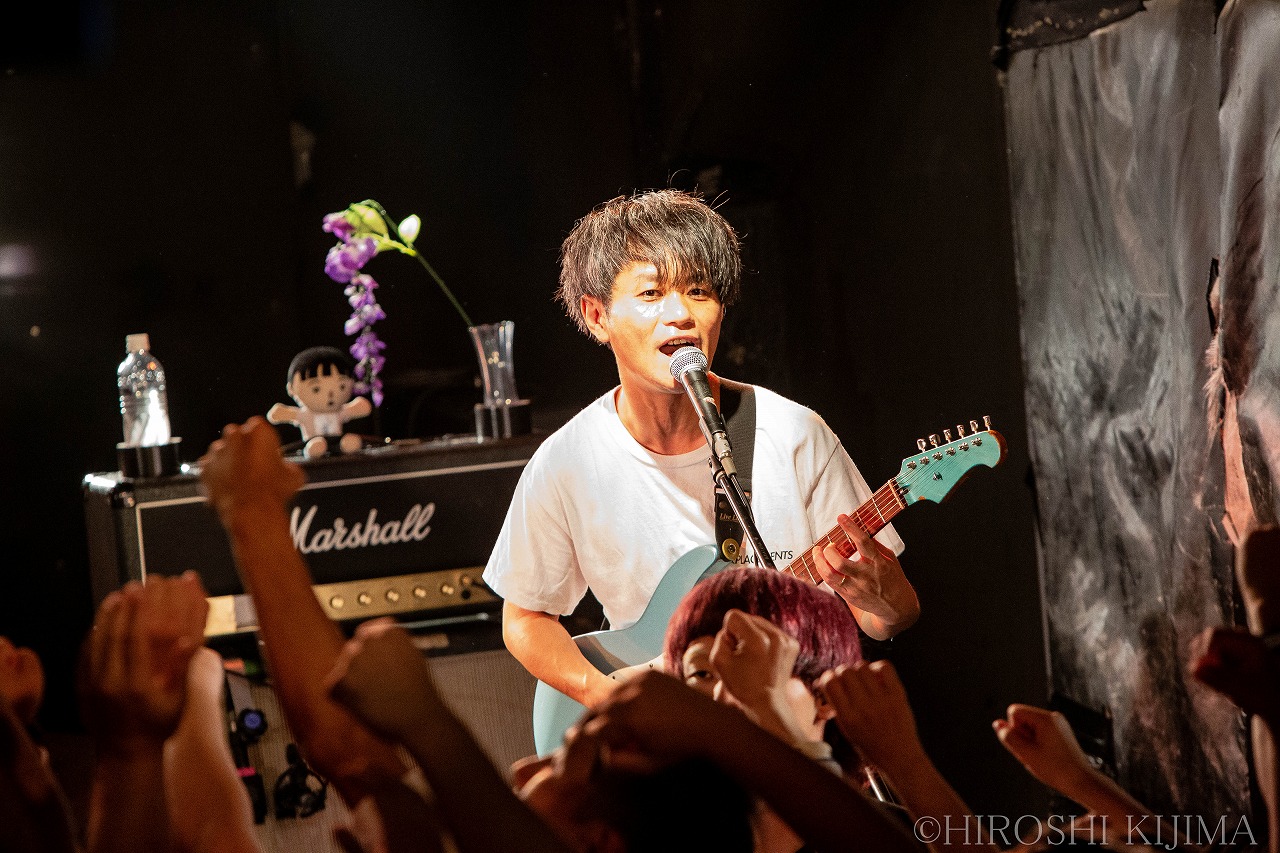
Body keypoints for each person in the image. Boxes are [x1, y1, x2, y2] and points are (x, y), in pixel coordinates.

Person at [484, 189, 920, 709]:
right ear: (597, 316)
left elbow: (884, 617)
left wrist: (889, 602)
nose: (680, 314)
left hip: (789, 721)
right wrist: (604, 694)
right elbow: (525, 617)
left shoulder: (793, 433)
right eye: (651, 293)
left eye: (698, 290)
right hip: (660, 732)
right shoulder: (567, 463)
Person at [267, 346, 372, 458]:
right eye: (316, 389)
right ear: (292, 389)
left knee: (350, 442)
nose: (330, 395)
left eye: (341, 387)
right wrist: (282, 413)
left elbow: (358, 409)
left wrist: (358, 407)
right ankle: (315, 448)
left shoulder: (340, 412)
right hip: (312, 441)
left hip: (337, 441)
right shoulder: (305, 415)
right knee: (317, 445)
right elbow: (285, 414)